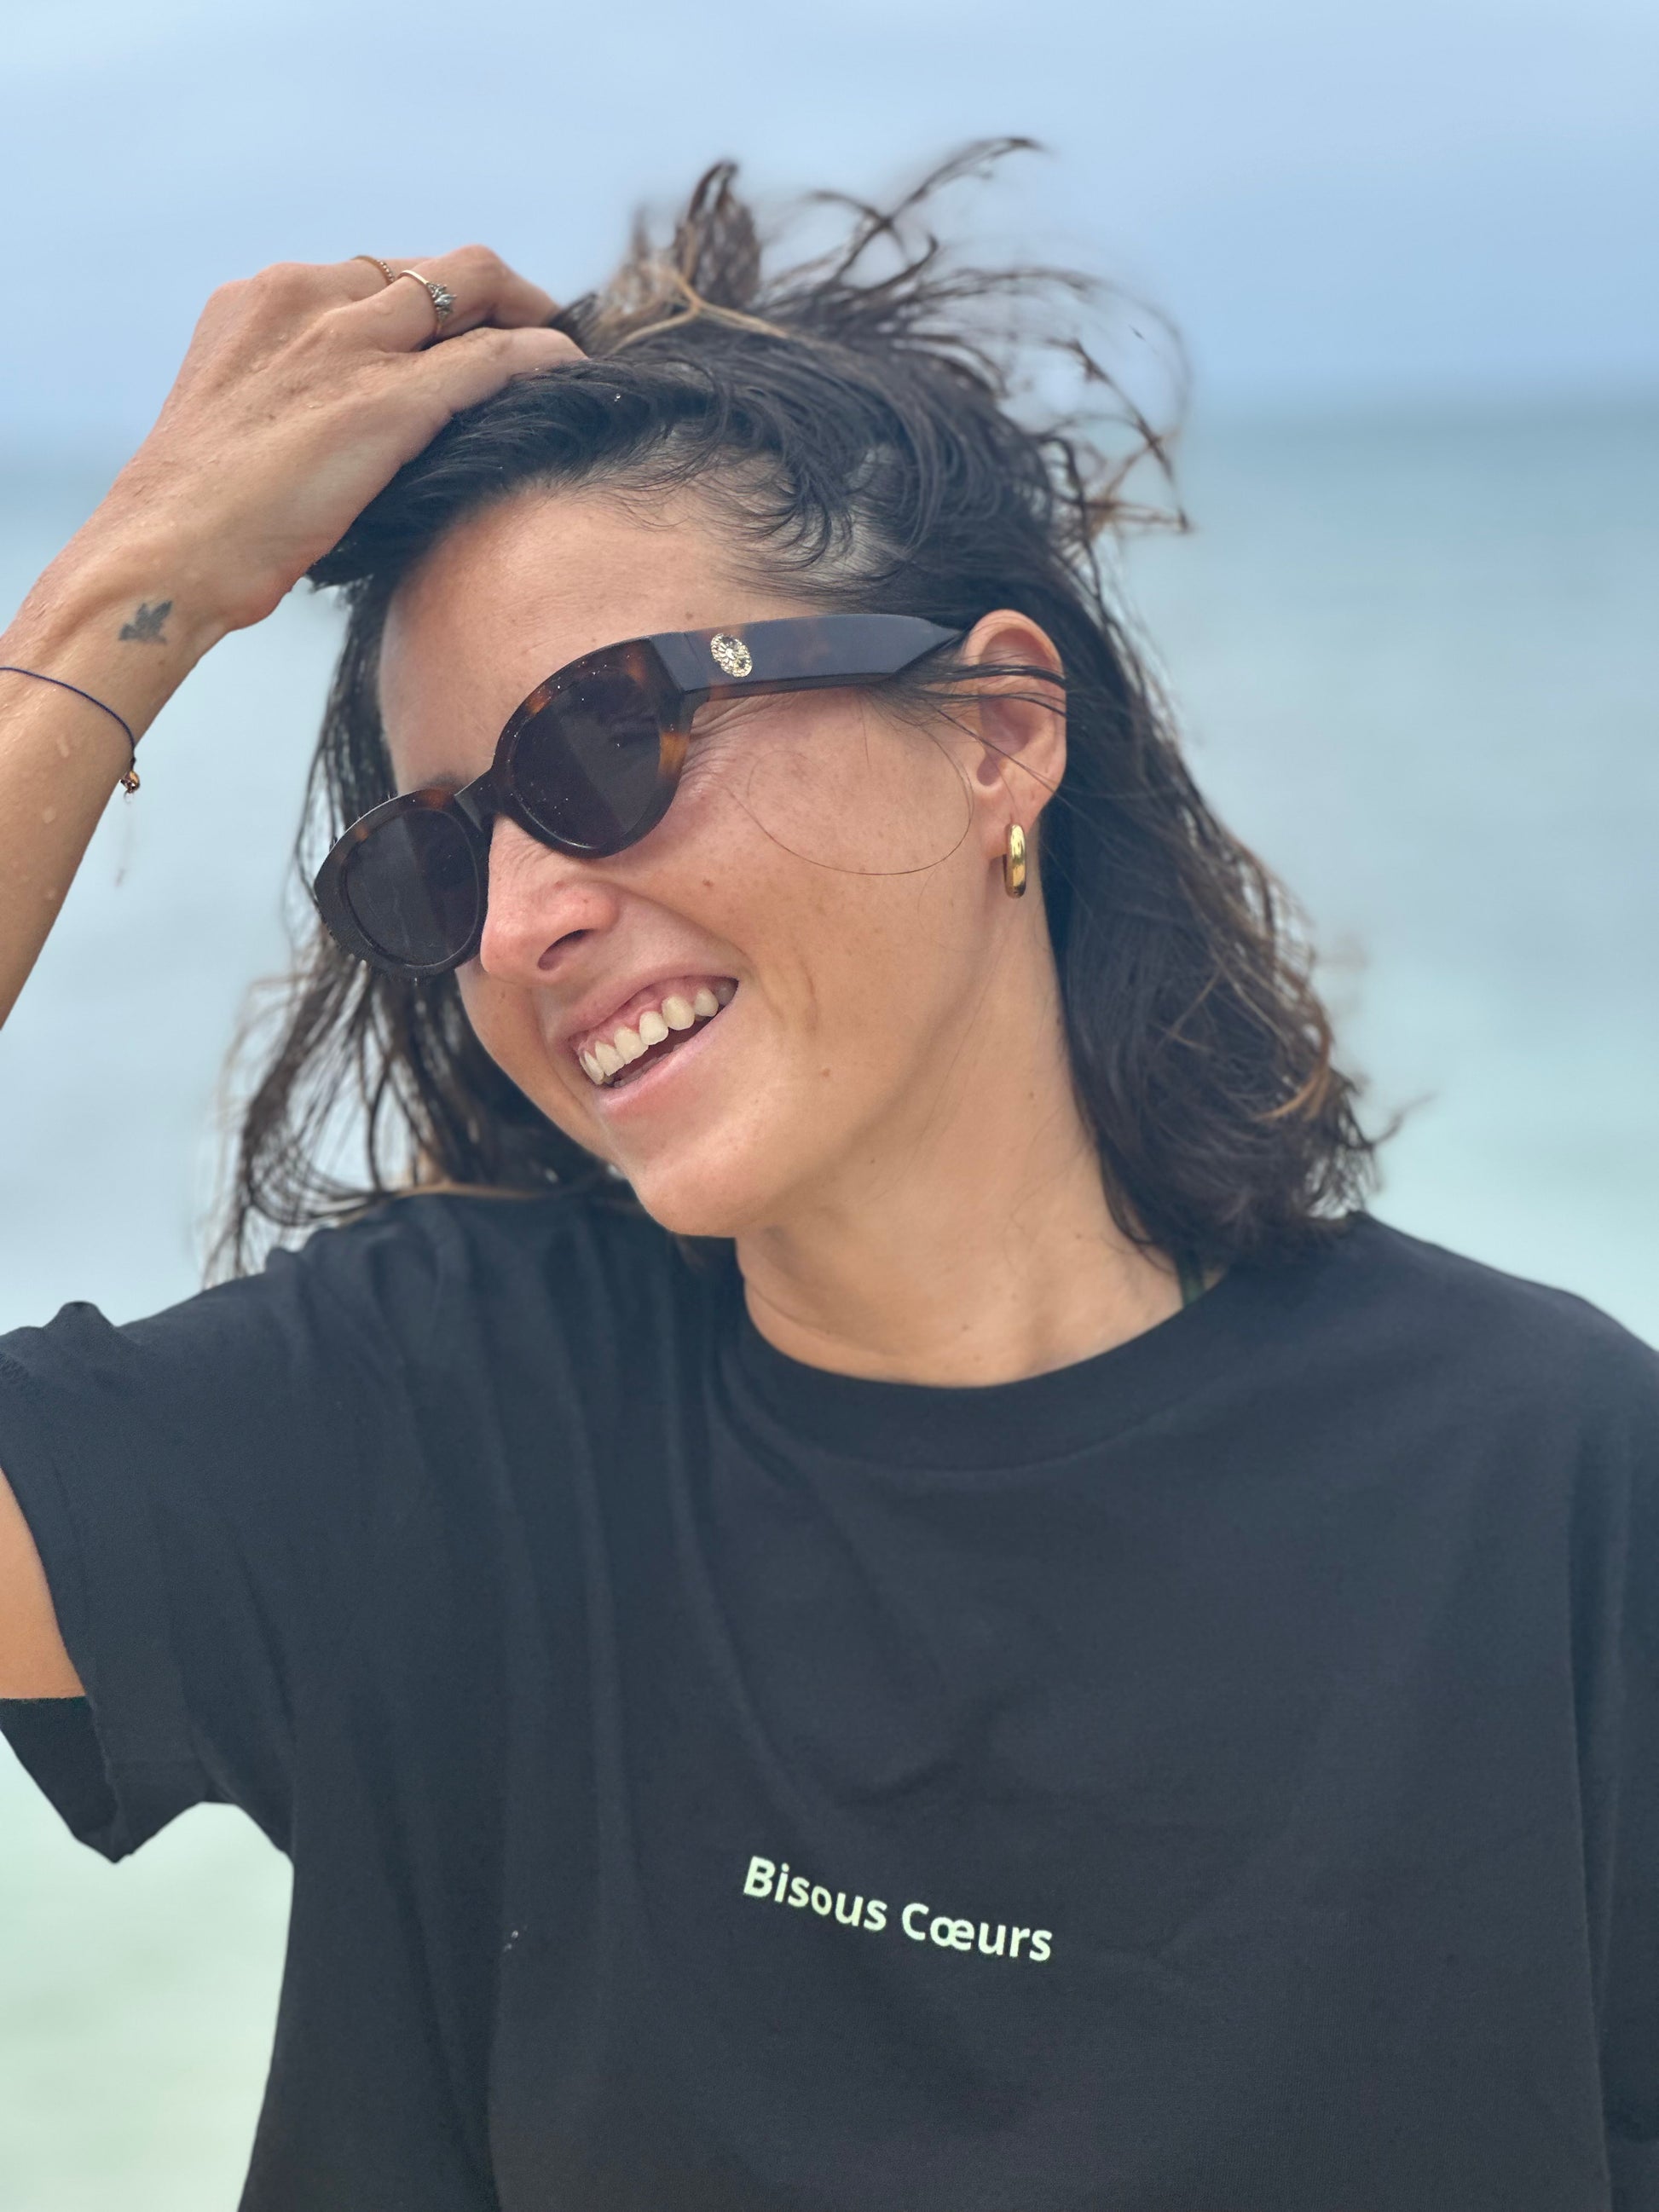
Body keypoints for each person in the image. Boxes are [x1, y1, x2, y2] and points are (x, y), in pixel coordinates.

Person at [0, 154, 1655, 2212]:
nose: (517, 918)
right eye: (438, 856)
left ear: (996, 730)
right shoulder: (435, 1425)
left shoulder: (1546, 1482)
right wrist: (118, 602)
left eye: (603, 744)